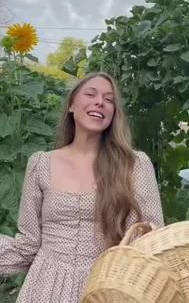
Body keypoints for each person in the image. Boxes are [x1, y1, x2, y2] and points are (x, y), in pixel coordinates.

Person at [0, 72, 164, 303]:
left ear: (113, 113)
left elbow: (149, 238)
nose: (100, 102)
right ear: (71, 106)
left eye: (109, 100)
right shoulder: (40, 164)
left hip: (105, 289)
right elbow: (27, 245)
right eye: (91, 94)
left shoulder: (134, 164)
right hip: (44, 288)